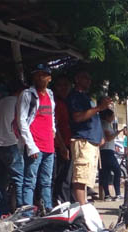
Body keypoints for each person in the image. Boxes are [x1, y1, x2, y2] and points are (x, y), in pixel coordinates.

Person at [68, 69, 112, 205]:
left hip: (92, 142)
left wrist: (99, 137)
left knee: (87, 178)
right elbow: (78, 117)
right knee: (80, 178)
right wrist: (99, 108)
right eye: (85, 78)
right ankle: (82, 207)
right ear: (77, 79)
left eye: (89, 79)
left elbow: (92, 119)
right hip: (82, 141)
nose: (89, 81)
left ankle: (84, 204)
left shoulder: (86, 97)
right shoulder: (75, 96)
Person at [18, 64, 56, 210]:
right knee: (30, 181)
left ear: (49, 78)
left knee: (47, 181)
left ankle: (48, 209)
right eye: (37, 74)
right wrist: (31, 145)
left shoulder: (50, 94)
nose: (40, 77)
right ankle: (26, 214)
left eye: (44, 75)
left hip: (49, 145)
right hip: (35, 145)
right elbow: (22, 120)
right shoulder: (27, 95)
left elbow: (51, 114)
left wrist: (53, 129)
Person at [0, 80, 23, 214]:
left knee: (1, 181)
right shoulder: (17, 102)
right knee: (19, 179)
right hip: (12, 144)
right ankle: (22, 211)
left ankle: (3, 211)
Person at [52, 75, 73, 205]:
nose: (64, 88)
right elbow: (55, 126)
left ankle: (65, 201)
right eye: (60, 85)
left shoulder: (67, 103)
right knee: (62, 177)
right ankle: (61, 202)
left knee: (68, 176)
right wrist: (62, 146)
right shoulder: (56, 103)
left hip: (68, 143)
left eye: (66, 85)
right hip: (60, 146)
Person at [99, 109, 123, 201]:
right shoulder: (104, 124)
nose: (113, 118)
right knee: (117, 170)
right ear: (107, 116)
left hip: (106, 150)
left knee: (106, 173)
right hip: (106, 150)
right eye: (112, 116)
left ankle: (107, 195)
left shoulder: (107, 124)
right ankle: (117, 194)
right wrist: (117, 132)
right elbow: (108, 137)